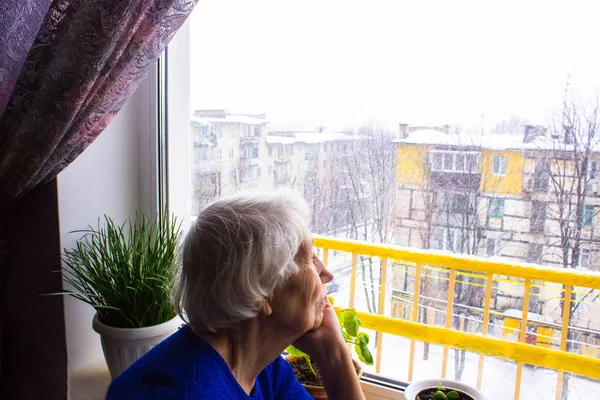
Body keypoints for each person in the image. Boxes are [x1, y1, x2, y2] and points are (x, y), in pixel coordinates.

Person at [106, 192, 365, 399]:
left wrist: (333, 353)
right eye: (308, 259)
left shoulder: (265, 371)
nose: (327, 274)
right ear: (257, 294)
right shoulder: (171, 392)